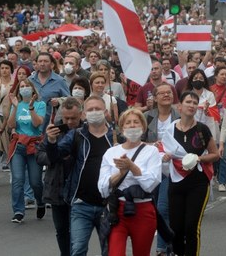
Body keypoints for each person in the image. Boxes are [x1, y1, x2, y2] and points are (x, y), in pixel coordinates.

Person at [45, 96, 113, 256]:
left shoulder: (115, 136)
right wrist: (51, 141)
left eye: (98, 109)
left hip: (109, 205)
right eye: (90, 110)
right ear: (84, 114)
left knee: (110, 250)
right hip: (82, 204)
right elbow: (55, 157)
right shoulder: (77, 135)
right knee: (78, 249)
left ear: (106, 112)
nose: (94, 112)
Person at [162, 91, 220, 256]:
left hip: (198, 182)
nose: (192, 105)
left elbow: (215, 155)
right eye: (188, 102)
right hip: (176, 181)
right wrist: (165, 156)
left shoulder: (202, 129)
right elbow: (162, 149)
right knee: (176, 228)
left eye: (195, 103)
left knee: (191, 226)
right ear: (179, 106)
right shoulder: (170, 129)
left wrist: (198, 158)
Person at [98, 108, 162, 256]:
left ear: (143, 127)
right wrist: (120, 173)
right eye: (128, 123)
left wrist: (132, 167)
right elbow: (102, 188)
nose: (132, 125)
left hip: (143, 210)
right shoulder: (111, 153)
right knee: (115, 253)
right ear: (122, 128)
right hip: (118, 211)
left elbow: (151, 184)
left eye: (136, 122)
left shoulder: (151, 151)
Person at [37, 97, 84, 256]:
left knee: (77, 232)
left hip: (78, 188)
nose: (70, 121)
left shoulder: (87, 131)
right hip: (56, 187)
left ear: (81, 115)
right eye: (66, 118)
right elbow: (39, 155)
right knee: (61, 229)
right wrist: (53, 155)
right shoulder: (55, 131)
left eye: (74, 118)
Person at [144, 82, 180, 256]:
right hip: (152, 169)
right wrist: (153, 146)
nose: (166, 95)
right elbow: (136, 142)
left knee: (163, 207)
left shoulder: (179, 116)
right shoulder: (147, 117)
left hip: (173, 168)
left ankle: (161, 249)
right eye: (162, 93)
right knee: (155, 210)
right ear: (155, 97)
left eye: (169, 93)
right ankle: (171, 244)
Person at [6, 78, 46, 223]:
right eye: (21, 86)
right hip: (18, 146)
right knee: (18, 180)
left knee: (35, 182)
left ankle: (40, 202)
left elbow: (37, 124)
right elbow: (11, 125)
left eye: (27, 86)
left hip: (34, 146)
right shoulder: (16, 105)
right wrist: (15, 107)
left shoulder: (40, 104)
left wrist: (30, 108)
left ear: (32, 89)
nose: (24, 88)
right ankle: (18, 211)